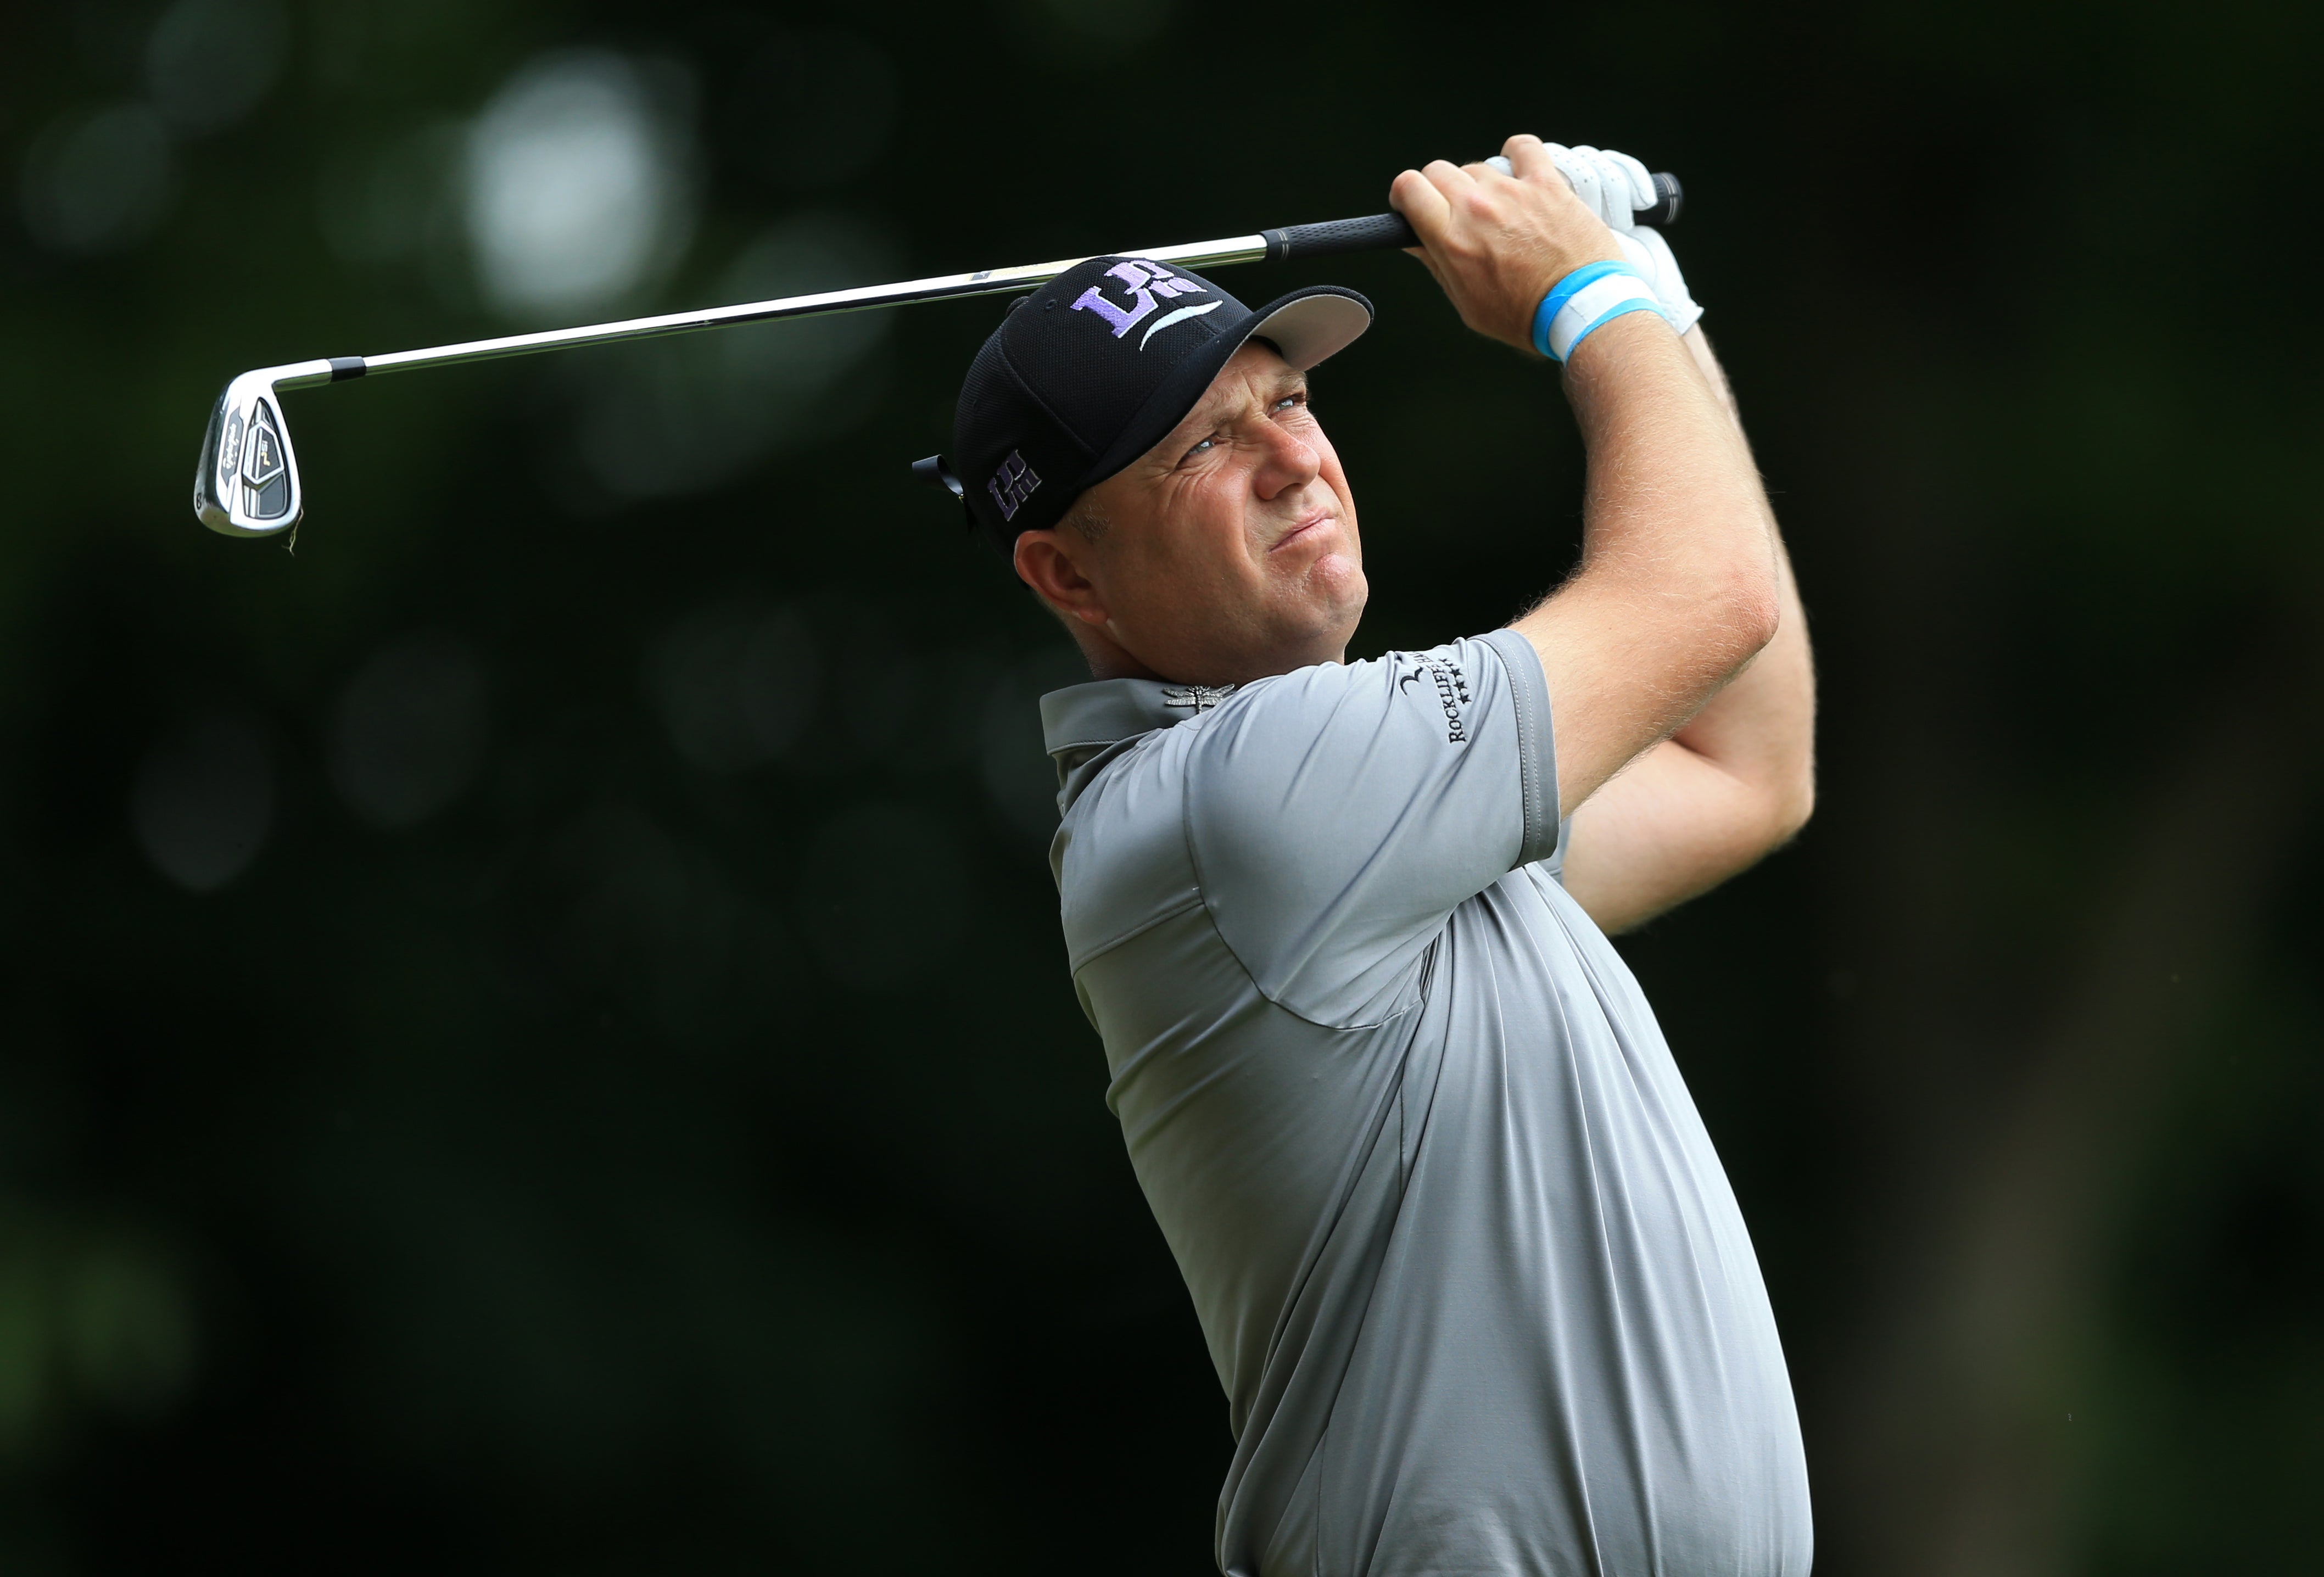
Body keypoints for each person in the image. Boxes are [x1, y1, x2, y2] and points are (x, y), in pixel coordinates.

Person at [925, 135, 1815, 1576]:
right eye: (1207, 442)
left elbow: (1743, 770)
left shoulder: (1381, 828)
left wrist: (1656, 298)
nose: (1293, 456)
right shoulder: (1246, 802)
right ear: (1067, 573)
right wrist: (1592, 299)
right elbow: (1706, 601)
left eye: (1289, 397)